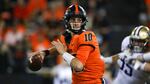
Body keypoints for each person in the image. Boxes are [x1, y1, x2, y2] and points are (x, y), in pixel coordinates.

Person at [29, 4, 105, 84]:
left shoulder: (87, 36)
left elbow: (78, 66)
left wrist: (63, 53)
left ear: (83, 21)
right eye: (73, 19)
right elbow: (60, 49)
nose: (76, 23)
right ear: (67, 21)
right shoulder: (67, 36)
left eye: (79, 20)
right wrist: (44, 53)